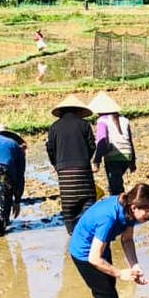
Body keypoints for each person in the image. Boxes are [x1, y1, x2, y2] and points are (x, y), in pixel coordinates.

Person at [69, 183, 149, 298]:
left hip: (100, 247)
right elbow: (94, 259)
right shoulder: (108, 219)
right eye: (148, 211)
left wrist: (134, 266)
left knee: (108, 285)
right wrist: (120, 273)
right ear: (134, 207)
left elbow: (127, 239)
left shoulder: (128, 211)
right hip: (83, 253)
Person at [47, 94, 97, 234]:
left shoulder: (54, 127)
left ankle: (71, 233)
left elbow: (50, 149)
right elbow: (92, 146)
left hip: (64, 171)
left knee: (69, 205)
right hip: (83, 169)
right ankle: (88, 232)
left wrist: (56, 164)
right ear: (78, 111)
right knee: (88, 200)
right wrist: (85, 159)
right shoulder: (84, 125)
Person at [90, 91, 136, 196]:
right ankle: (118, 202)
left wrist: (96, 161)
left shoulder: (102, 121)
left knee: (116, 188)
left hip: (113, 156)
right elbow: (130, 141)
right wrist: (133, 161)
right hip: (127, 155)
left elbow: (102, 142)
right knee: (115, 183)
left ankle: (121, 207)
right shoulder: (124, 120)